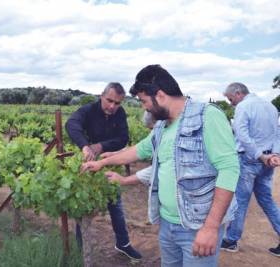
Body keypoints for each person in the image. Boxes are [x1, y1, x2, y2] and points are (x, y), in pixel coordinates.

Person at [81, 64, 240, 267]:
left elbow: (229, 169)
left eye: (144, 101)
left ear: (160, 95)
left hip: (197, 227)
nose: (144, 107)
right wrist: (101, 162)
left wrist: (211, 227)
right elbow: (138, 150)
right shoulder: (162, 126)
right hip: (167, 225)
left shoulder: (207, 116)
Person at [65, 82, 142, 261]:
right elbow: (71, 124)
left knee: (115, 205)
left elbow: (123, 139)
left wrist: (100, 146)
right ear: (101, 96)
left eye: (117, 103)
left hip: (109, 164)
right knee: (82, 206)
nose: (112, 106)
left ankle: (123, 243)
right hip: (86, 165)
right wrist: (85, 146)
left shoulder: (120, 114)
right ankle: (80, 248)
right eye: (109, 101)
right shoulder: (88, 110)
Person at [220, 82, 280, 257]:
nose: (230, 103)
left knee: (240, 200)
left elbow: (242, 134)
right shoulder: (270, 106)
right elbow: (277, 132)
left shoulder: (243, 107)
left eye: (230, 99)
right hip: (268, 160)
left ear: (238, 93)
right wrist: (274, 153)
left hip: (249, 159)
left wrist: (259, 155)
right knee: (267, 200)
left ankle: (231, 240)